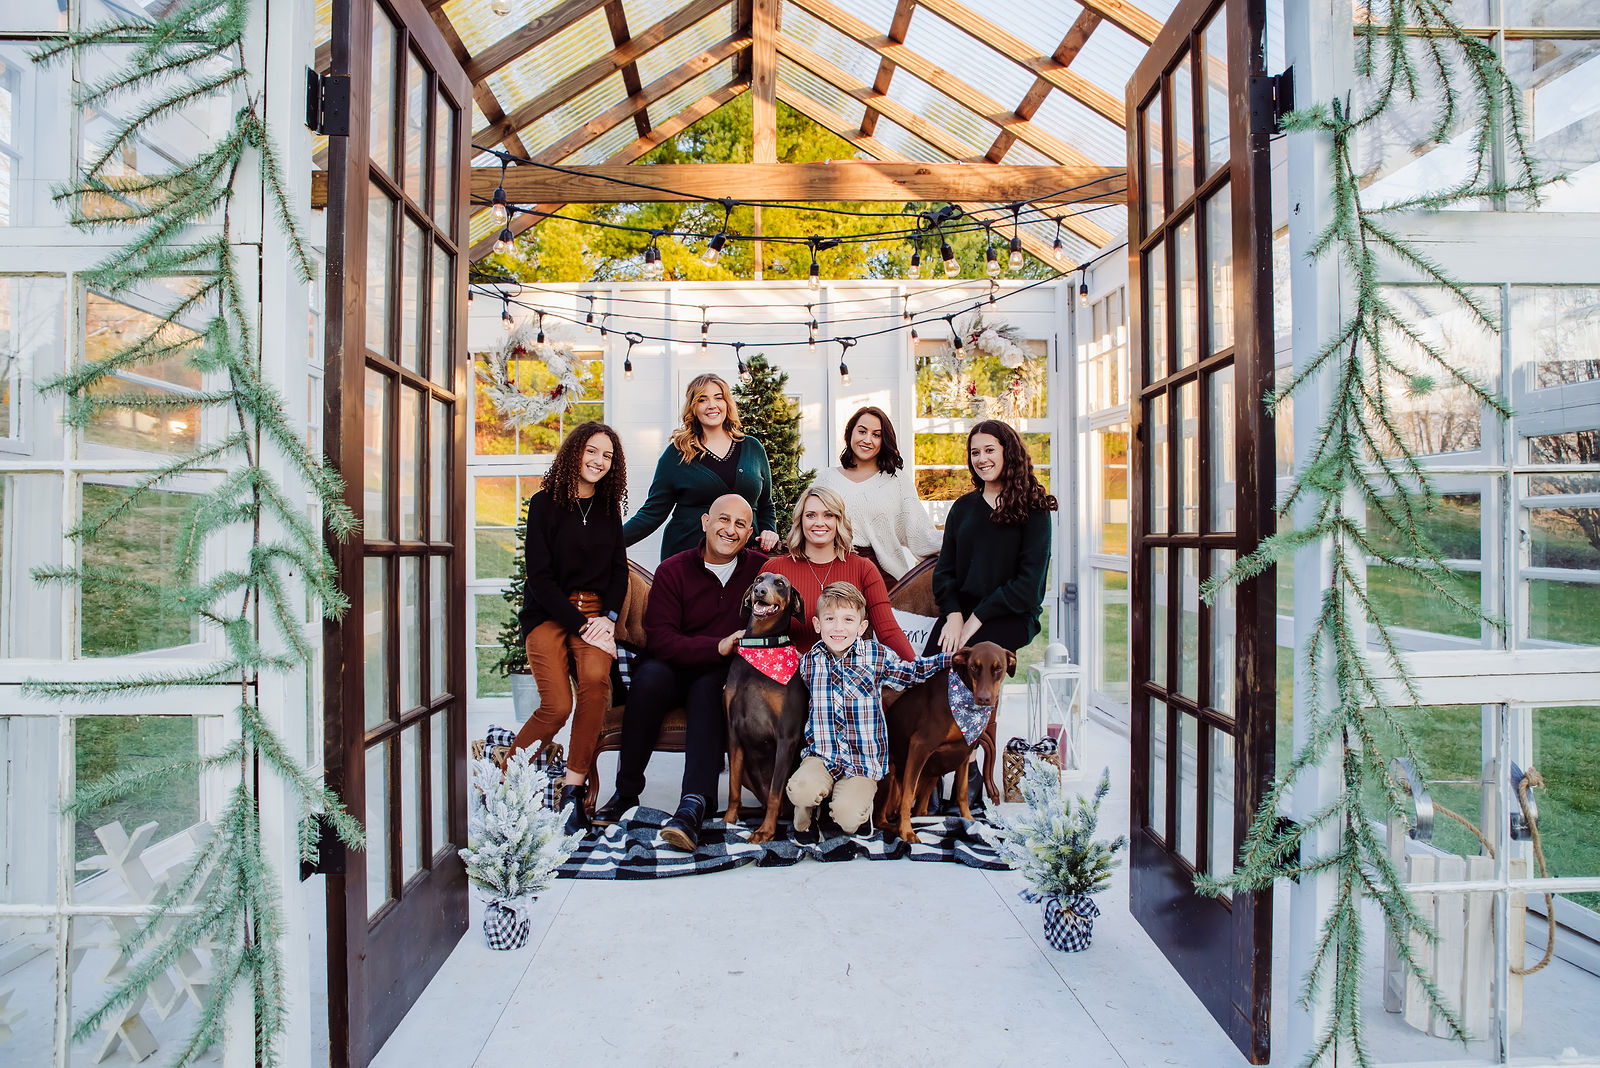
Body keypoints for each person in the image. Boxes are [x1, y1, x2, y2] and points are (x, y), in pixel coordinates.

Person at [594, 493, 769, 852]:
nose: (730, 529)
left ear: (750, 532)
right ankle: (626, 792)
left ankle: (694, 805)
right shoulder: (673, 569)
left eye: (740, 524)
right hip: (671, 666)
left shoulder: (760, 570)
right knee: (649, 679)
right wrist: (716, 646)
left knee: (708, 691)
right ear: (706, 522)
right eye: (723, 519)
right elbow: (660, 639)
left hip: (720, 673)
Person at [508, 422, 629, 836]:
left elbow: (618, 573)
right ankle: (507, 780)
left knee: (595, 684)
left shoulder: (609, 508)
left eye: (607, 456)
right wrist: (580, 625)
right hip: (549, 612)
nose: (599, 461)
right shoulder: (544, 504)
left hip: (595, 614)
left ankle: (573, 792)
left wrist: (607, 620)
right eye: (591, 451)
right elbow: (540, 579)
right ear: (574, 452)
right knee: (557, 705)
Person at [785, 581, 950, 837]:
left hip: (861, 763)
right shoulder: (809, 662)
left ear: (862, 627)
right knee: (800, 789)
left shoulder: (875, 656)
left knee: (848, 819)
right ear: (817, 625)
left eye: (848, 620)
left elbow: (911, 672)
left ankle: (856, 808)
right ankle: (808, 815)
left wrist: (947, 659)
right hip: (822, 756)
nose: (838, 627)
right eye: (830, 619)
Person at [929, 419, 1057, 656]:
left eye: (989, 450)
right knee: (929, 666)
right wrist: (954, 615)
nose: (981, 459)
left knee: (972, 661)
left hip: (1011, 614)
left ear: (1008, 452)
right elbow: (944, 572)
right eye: (975, 452)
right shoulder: (962, 508)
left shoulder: (1034, 510)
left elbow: (1028, 586)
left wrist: (977, 618)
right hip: (962, 612)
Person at [622, 372, 779, 558]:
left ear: (727, 404)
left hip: (744, 556)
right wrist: (610, 543)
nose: (712, 405)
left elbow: (766, 505)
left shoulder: (752, 448)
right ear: (693, 407)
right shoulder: (677, 453)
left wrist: (769, 530)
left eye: (718, 398)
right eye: (702, 400)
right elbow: (652, 513)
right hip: (689, 557)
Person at [759, 485, 917, 660]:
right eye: (811, 515)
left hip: (850, 672)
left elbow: (888, 631)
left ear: (839, 520)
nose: (819, 522)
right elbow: (756, 634)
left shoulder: (863, 569)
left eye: (828, 515)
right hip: (789, 672)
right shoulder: (775, 571)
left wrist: (916, 668)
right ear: (800, 520)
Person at [811, 406, 941, 586]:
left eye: (876, 435)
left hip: (883, 575)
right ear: (850, 433)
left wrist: (960, 540)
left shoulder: (896, 480)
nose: (867, 440)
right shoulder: (827, 479)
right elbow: (805, 526)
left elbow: (921, 533)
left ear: (883, 440)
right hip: (833, 572)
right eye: (862, 431)